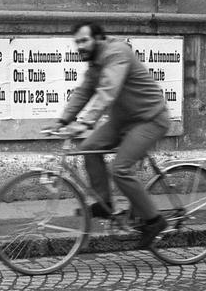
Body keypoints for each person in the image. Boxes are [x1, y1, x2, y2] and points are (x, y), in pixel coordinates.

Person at [50, 22, 170, 248]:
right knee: (88, 148)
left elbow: (108, 90)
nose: (80, 47)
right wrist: (64, 120)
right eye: (77, 42)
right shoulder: (95, 63)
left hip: (149, 119)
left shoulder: (117, 53)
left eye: (84, 41)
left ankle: (154, 220)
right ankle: (104, 202)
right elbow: (84, 91)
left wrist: (85, 122)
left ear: (99, 38)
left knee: (121, 169)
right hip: (122, 121)